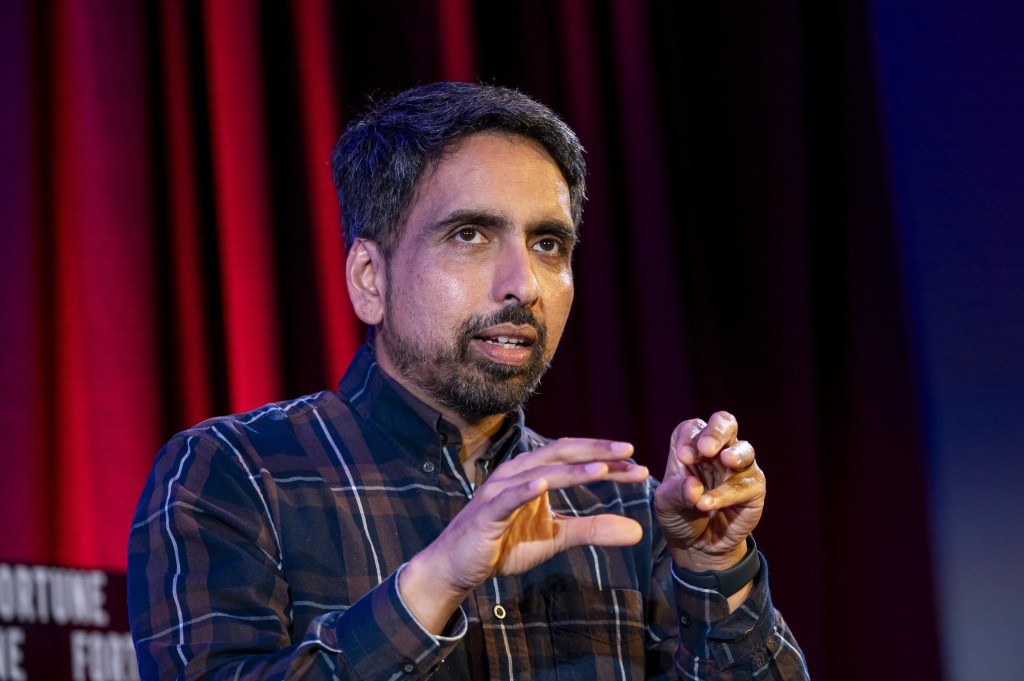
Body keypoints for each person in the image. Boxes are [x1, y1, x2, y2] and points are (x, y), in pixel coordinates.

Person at [128, 82, 808, 680]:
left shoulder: (620, 507)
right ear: (370, 278)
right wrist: (435, 581)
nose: (523, 286)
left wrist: (717, 567)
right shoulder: (236, 472)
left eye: (549, 244)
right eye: (470, 235)